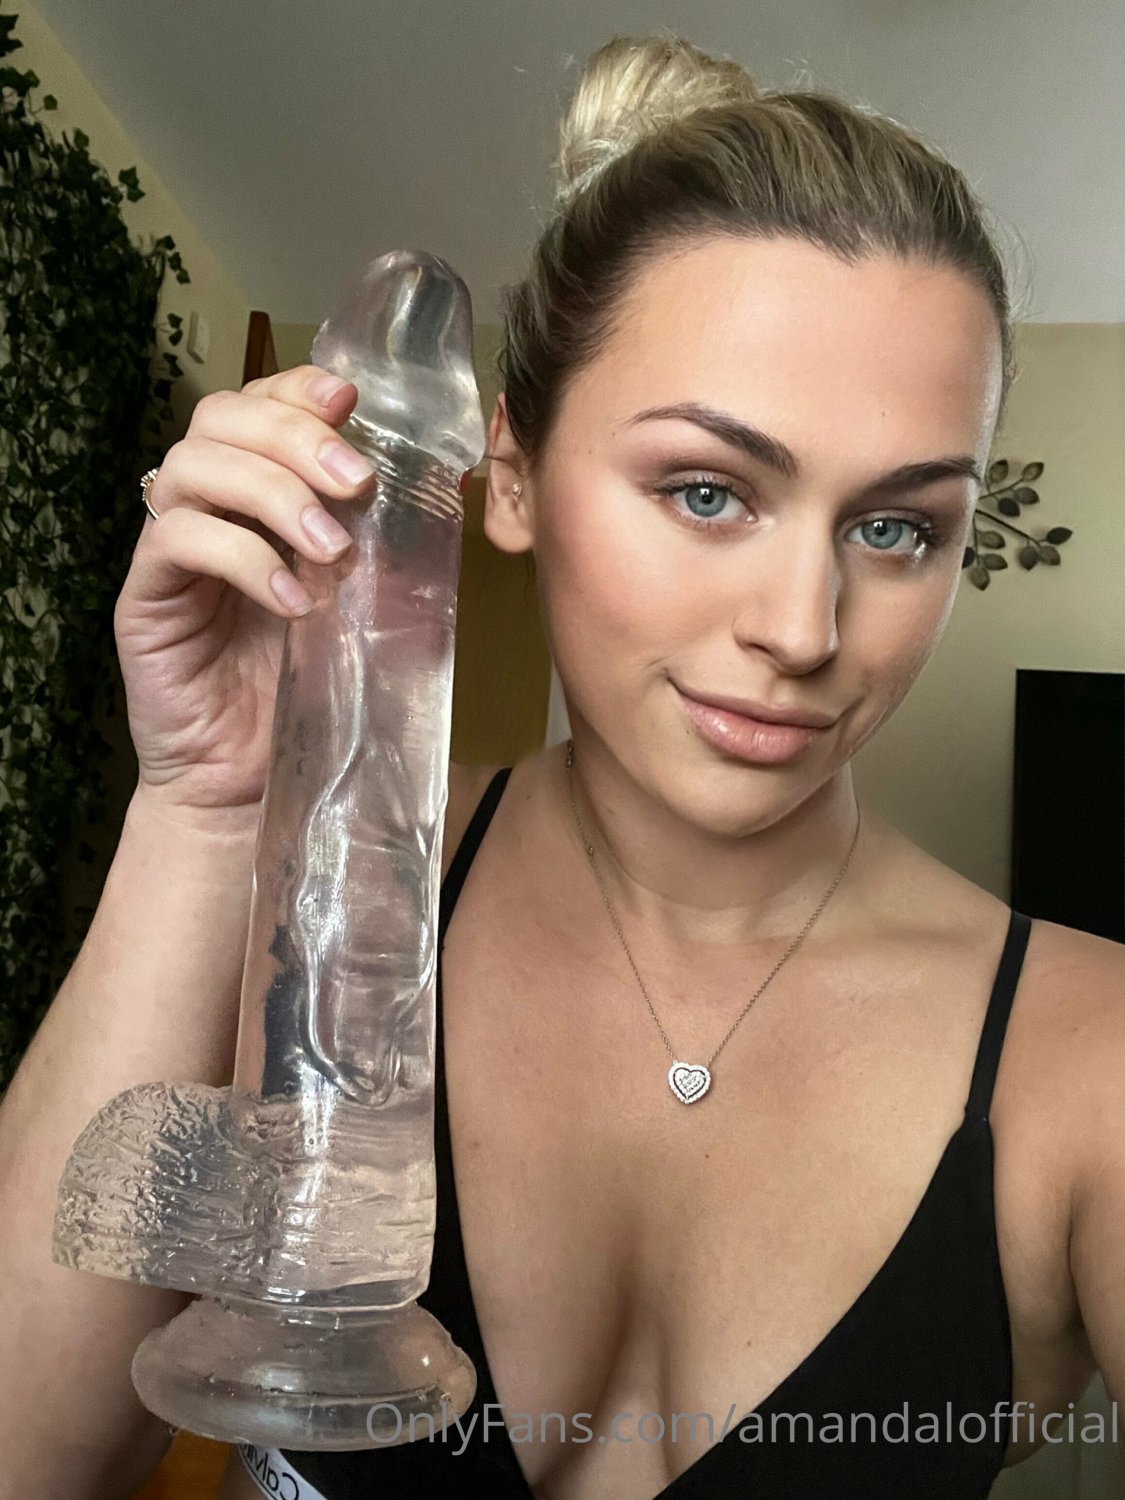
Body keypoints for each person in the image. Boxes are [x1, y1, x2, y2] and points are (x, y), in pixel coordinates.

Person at [0, 30, 1121, 1500]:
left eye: (897, 527)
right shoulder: (309, 930)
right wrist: (208, 805)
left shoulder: (1087, 1061)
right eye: (707, 491)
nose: (802, 630)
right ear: (512, 476)